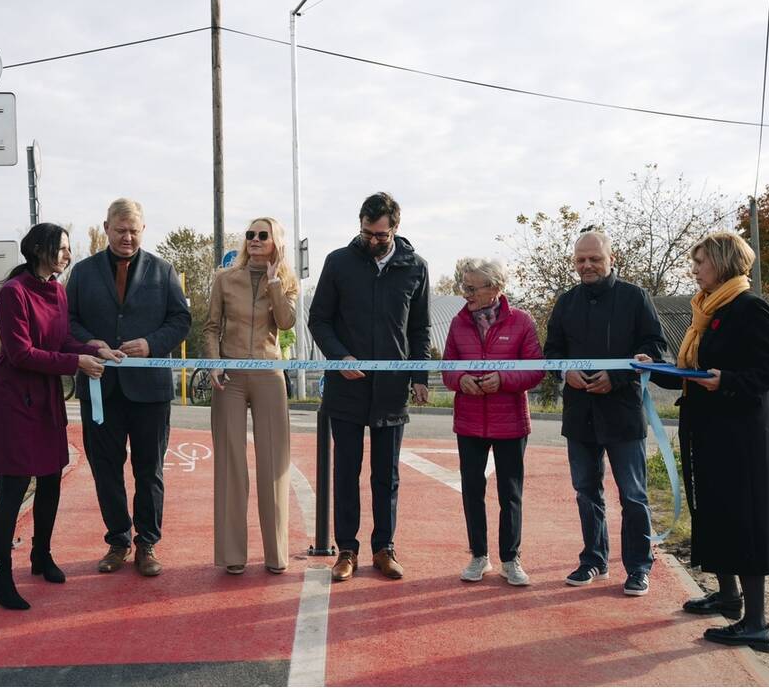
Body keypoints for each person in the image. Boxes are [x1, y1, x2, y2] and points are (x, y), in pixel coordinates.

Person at [638, 231, 769, 653]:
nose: (695, 268)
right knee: (716, 511)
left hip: (740, 435)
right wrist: (655, 369)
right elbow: (696, 372)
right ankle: (727, 596)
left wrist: (729, 383)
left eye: (701, 261)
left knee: (744, 518)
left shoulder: (748, 307)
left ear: (721, 262)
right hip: (707, 430)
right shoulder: (706, 309)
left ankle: (756, 621)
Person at [0, 223, 124, 610]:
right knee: (12, 490)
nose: (67, 254)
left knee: (50, 479)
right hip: (13, 400)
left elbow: (60, 341)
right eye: (61, 248)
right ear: (40, 249)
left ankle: (40, 556)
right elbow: (21, 353)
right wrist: (76, 360)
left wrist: (94, 347)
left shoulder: (57, 291)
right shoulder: (14, 294)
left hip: (44, 395)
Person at [308, 191, 431, 582]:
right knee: (346, 470)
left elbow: (420, 327)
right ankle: (346, 550)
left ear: (395, 228)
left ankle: (385, 547)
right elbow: (319, 320)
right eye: (366, 232)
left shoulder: (416, 267)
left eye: (380, 235)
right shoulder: (339, 262)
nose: (372, 240)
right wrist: (339, 356)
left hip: (391, 389)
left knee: (386, 474)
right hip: (346, 387)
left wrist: (420, 376)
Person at [67, 198, 191, 576]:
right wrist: (93, 344)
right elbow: (67, 320)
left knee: (149, 469)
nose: (127, 237)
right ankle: (118, 541)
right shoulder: (83, 273)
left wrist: (153, 343)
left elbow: (181, 319)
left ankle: (147, 544)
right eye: (120, 230)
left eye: (134, 231)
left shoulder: (163, 270)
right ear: (106, 228)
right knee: (106, 469)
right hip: (100, 387)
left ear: (143, 230)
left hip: (149, 391)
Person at [543, 229, 666, 597]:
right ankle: (593, 559)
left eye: (594, 258)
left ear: (612, 259)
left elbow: (654, 347)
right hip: (580, 414)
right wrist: (567, 372)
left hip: (623, 413)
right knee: (585, 491)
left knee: (632, 494)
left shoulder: (635, 297)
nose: (587, 265)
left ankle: (639, 567)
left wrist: (616, 376)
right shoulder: (566, 303)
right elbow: (552, 352)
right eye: (581, 260)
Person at [204, 217, 298, 574]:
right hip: (229, 376)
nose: (255, 240)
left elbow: (287, 323)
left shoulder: (286, 282)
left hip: (269, 376)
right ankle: (232, 555)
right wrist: (212, 363)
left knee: (274, 465)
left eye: (263, 235)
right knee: (230, 465)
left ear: (276, 242)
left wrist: (274, 283)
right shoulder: (224, 279)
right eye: (250, 235)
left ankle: (276, 555)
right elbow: (212, 327)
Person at [441, 258, 544, 585]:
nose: (465, 294)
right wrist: (462, 380)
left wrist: (503, 379)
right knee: (472, 490)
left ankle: (511, 559)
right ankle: (478, 556)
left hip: (510, 421)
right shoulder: (458, 323)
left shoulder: (522, 322)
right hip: (469, 421)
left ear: (495, 288)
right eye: (464, 287)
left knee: (510, 493)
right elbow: (448, 368)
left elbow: (536, 369)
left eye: (472, 288)